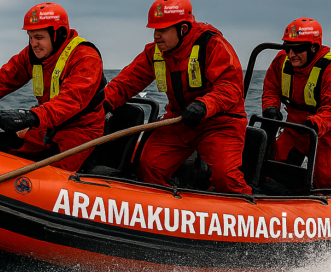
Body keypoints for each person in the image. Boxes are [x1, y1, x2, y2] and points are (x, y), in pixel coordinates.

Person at [102, 0, 252, 194]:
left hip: (220, 122)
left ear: (183, 28)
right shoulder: (155, 52)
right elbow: (125, 83)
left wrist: (203, 105)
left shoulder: (212, 45)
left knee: (226, 178)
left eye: (162, 30)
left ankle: (247, 210)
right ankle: (164, 213)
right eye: (154, 30)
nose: (156, 36)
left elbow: (231, 86)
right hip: (180, 120)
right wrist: (100, 104)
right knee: (148, 167)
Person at [0, 2, 105, 171]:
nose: (33, 43)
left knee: (56, 175)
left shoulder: (85, 58)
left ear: (58, 34)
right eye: (30, 37)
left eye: (39, 37)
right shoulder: (33, 54)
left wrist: (30, 117)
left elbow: (71, 100)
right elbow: (5, 77)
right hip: (46, 125)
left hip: (79, 130)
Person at [262, 17, 331, 189]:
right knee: (270, 164)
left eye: (297, 49)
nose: (291, 54)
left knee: (326, 177)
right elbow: (271, 87)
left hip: (328, 131)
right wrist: (271, 108)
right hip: (296, 126)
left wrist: (316, 123)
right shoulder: (281, 61)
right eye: (287, 48)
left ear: (313, 47)